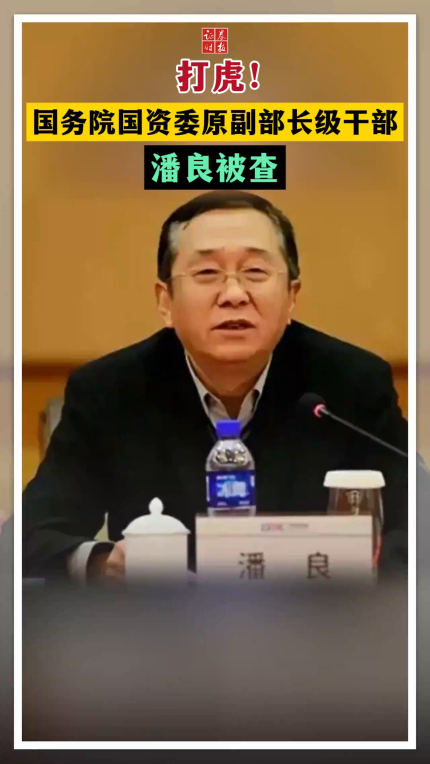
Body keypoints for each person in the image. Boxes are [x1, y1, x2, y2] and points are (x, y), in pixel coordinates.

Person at [22, 190, 408, 582]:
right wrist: (104, 565)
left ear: (292, 296)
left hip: (320, 613)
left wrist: (356, 569)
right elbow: (27, 537)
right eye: (207, 273)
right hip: (164, 617)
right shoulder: (110, 391)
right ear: (165, 301)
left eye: (255, 272)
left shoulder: (351, 385)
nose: (234, 295)